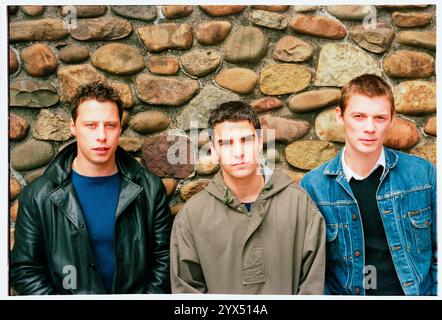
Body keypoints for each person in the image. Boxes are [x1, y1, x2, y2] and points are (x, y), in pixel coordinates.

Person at [10, 82, 172, 294]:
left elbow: (165, 259)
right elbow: (25, 268)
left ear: (120, 129)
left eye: (110, 125)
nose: (102, 136)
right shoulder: (38, 195)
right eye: (91, 125)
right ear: (73, 127)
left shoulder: (150, 189)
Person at [300, 74, 437, 296]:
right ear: (340, 116)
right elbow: (313, 272)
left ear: (392, 119)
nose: (370, 127)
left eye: (379, 117)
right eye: (359, 116)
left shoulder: (422, 175)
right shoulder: (313, 187)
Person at [170, 101, 325, 294]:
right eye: (226, 143)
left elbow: (313, 286)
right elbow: (186, 292)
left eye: (246, 140)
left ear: (260, 142)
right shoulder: (191, 217)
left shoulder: (300, 204)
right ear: (214, 150)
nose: (238, 152)